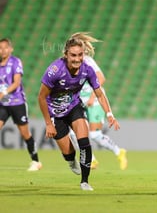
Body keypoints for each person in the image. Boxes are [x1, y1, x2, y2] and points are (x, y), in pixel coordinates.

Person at [38, 35, 120, 191]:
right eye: (73, 55)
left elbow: (100, 93)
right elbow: (41, 97)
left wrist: (110, 114)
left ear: (84, 54)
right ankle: (70, 160)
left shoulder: (87, 69)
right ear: (66, 54)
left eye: (80, 55)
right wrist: (48, 123)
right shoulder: (55, 70)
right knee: (68, 152)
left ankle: (85, 181)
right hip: (55, 114)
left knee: (84, 142)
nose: (77, 59)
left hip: (74, 107)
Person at [69, 32, 127, 170]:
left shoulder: (87, 61)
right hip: (80, 102)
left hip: (94, 101)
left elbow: (101, 78)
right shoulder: (68, 63)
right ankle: (92, 160)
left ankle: (119, 152)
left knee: (94, 134)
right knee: (72, 133)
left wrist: (92, 97)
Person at [0, 38, 42, 171]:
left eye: (5, 47)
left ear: (11, 49)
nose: (3, 50)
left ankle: (36, 161)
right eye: (0, 48)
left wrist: (4, 92)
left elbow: (16, 82)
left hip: (17, 102)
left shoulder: (15, 62)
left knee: (25, 134)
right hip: (3, 104)